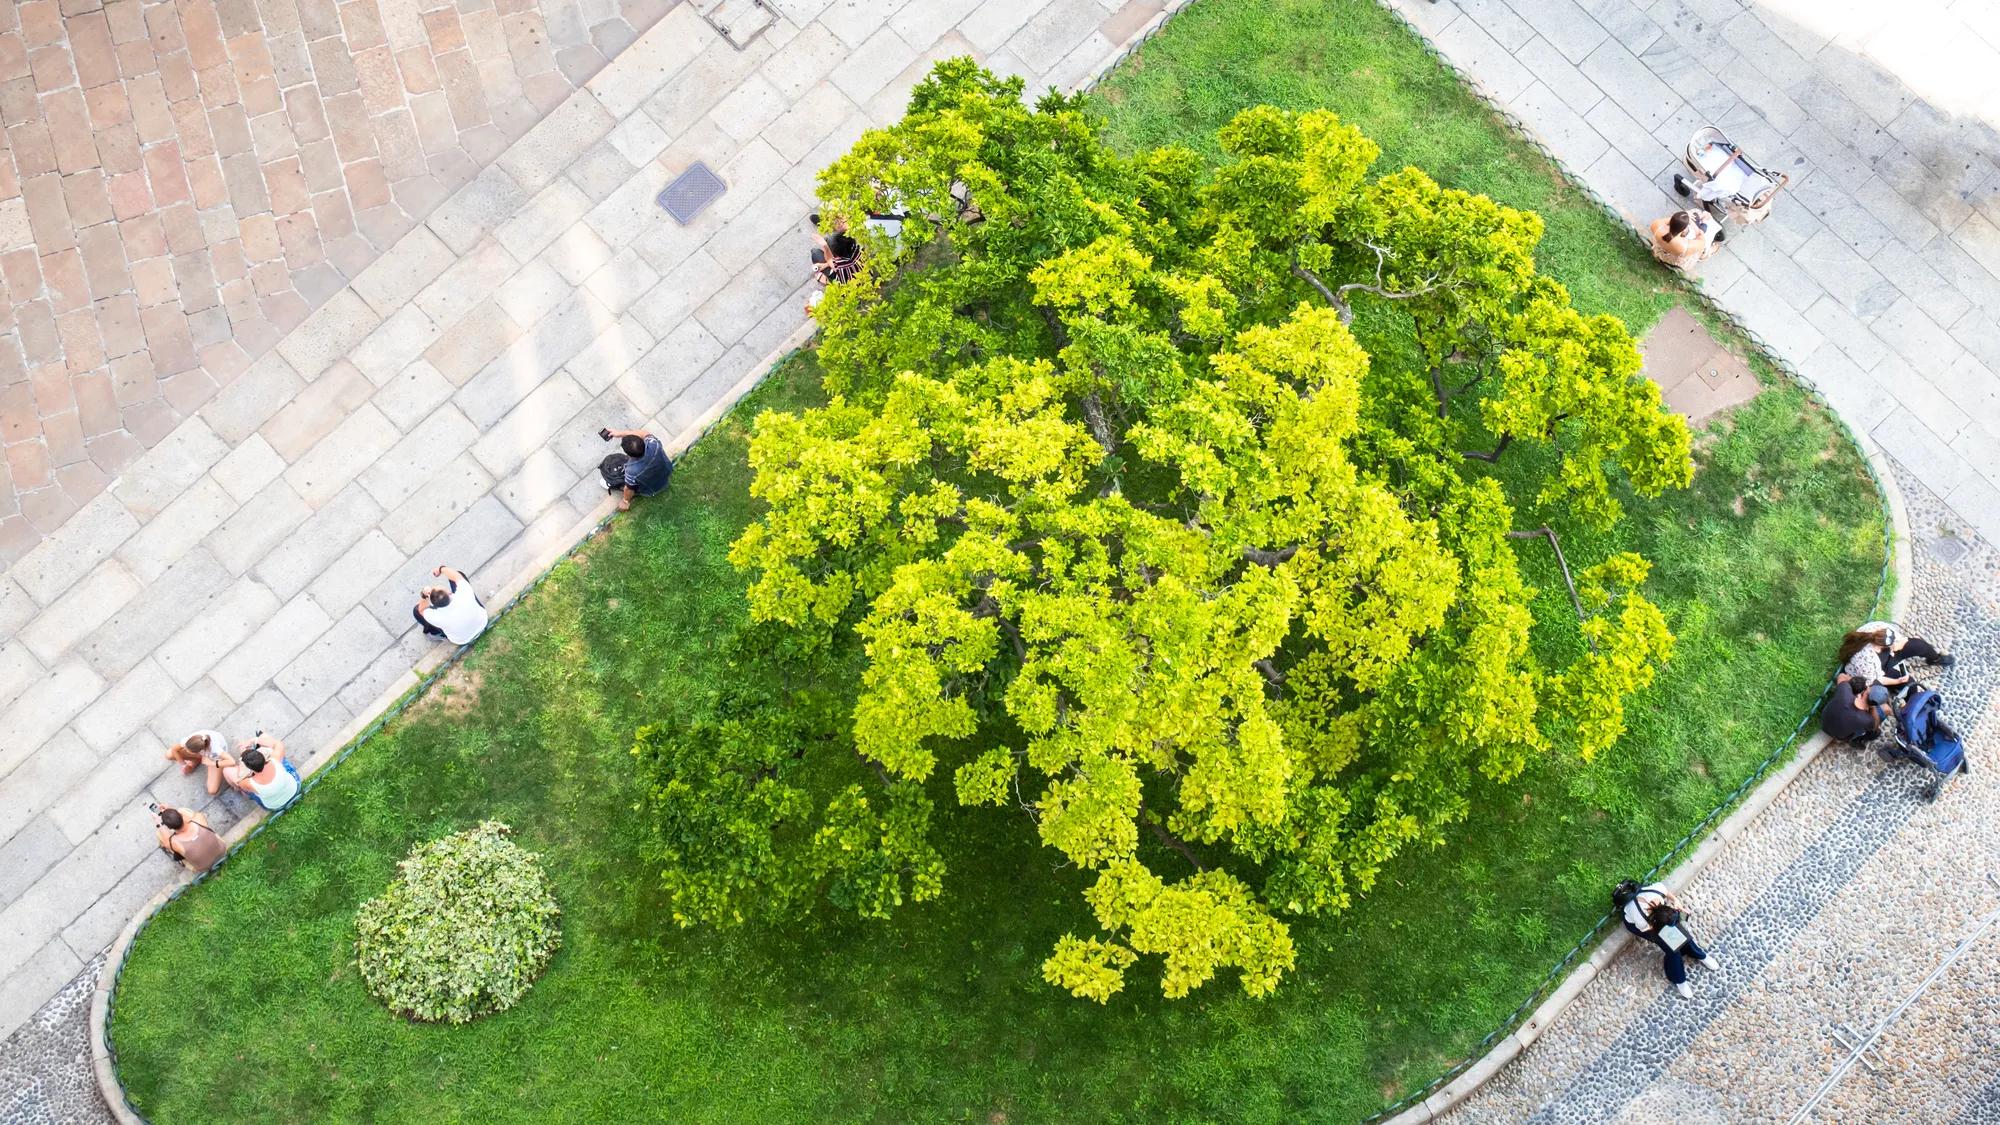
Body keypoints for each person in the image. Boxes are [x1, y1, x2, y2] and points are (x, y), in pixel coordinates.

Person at [1612, 879, 1718, 999]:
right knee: (1672, 948)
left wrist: (1676, 902)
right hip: (1645, 926)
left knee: (1682, 935)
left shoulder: (1657, 890)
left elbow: (1667, 892)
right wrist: (1663, 934)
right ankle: (1679, 980)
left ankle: (1698, 954)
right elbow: (1644, 929)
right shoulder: (1640, 918)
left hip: (1660, 918)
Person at [1837, 621, 1953, 692]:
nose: (1900, 641)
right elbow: (1877, 679)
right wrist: (1897, 681)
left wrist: (1898, 645)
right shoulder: (1866, 659)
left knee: (1918, 645)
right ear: (1879, 647)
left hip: (1887, 657)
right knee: (1910, 683)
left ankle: (1935, 659)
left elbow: (1900, 640)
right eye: (1895, 643)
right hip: (1877, 671)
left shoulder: (1883, 630)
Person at [209, 733, 300, 811]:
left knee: (227, 771)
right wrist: (254, 740)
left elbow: (240, 777)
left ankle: (237, 790)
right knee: (264, 736)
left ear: (249, 768)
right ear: (263, 757)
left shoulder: (248, 783)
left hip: (276, 806)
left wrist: (242, 758)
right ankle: (259, 742)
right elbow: (277, 743)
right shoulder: (275, 759)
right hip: (295, 789)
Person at [599, 427, 673, 511]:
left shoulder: (631, 471)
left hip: (653, 489)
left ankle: (611, 483)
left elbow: (629, 489)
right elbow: (644, 433)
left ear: (628, 455)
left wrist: (625, 501)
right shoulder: (654, 444)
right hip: (666, 472)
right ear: (643, 442)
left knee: (623, 480)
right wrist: (619, 433)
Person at [413, 564, 488, 644]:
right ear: (449, 593)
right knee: (458, 575)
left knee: (416, 611)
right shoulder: (465, 594)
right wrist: (441, 569)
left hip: (462, 640)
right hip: (482, 622)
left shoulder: (436, 617)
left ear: (434, 604)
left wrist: (424, 595)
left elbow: (421, 610)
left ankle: (434, 632)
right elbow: (457, 576)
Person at [1821, 677, 1891, 745]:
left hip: (1823, 722)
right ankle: (1858, 740)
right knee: (1868, 729)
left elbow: (1841, 676)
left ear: (1866, 691)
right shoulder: (1867, 720)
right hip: (1838, 736)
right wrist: (1872, 707)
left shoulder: (1845, 691)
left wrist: (1856, 681)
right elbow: (1875, 727)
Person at [154, 805, 225, 873]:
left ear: (169, 828)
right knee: (185, 811)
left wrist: (158, 823)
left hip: (205, 868)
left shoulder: (174, 843)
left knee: (160, 835)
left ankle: (186, 864)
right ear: (181, 816)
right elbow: (188, 815)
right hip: (222, 852)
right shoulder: (199, 819)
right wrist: (172, 809)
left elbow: (165, 839)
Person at [1649, 208, 1724, 270]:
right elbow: (1702, 240)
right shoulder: (1684, 245)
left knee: (1693, 213)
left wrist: (1685, 215)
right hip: (1674, 263)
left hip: (1659, 251)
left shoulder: (1657, 226)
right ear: (1684, 229)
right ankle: (1705, 255)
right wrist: (1702, 224)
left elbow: (1672, 219)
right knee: (1707, 239)